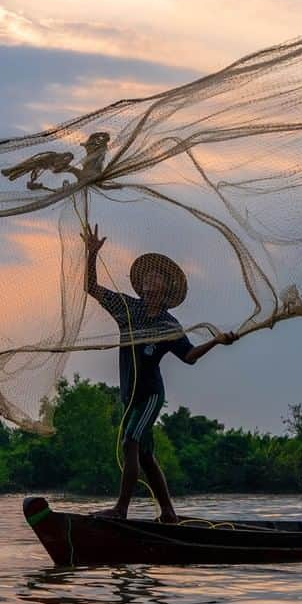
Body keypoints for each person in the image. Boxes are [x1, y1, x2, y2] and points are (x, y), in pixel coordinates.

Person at [83, 224, 237, 522]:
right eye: (148, 276)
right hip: (129, 396)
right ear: (141, 285)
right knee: (145, 456)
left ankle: (120, 511)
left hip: (151, 395)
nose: (151, 279)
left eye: (157, 277)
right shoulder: (127, 308)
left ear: (165, 289)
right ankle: (168, 513)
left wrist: (216, 342)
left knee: (130, 443)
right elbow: (91, 288)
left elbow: (189, 357)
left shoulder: (169, 325)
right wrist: (91, 254)